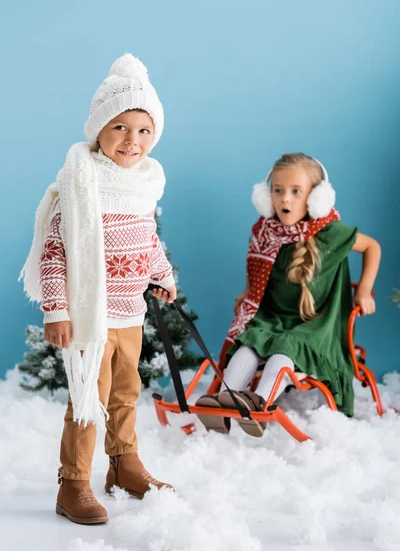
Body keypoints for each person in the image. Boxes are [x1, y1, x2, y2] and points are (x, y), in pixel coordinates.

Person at [20, 53, 177, 524]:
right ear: (98, 131)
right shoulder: (80, 183)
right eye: (120, 128)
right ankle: (73, 484)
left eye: (144, 130)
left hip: (131, 313)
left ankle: (124, 465)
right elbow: (56, 252)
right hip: (92, 319)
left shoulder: (143, 184)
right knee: (89, 399)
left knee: (126, 393)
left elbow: (147, 239)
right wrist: (56, 310)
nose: (133, 141)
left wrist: (162, 274)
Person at [196, 153, 381, 437]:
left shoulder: (331, 231)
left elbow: (372, 247)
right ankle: (227, 398)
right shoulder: (265, 232)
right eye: (278, 190)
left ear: (316, 197)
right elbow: (258, 269)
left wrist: (365, 290)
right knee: (249, 343)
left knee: (286, 347)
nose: (285, 199)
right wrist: (248, 291)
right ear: (266, 195)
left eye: (296, 191)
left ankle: (259, 405)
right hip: (274, 317)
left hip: (317, 326)